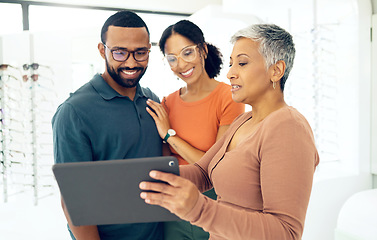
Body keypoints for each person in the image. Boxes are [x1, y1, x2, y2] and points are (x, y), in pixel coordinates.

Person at [140, 23, 320, 240]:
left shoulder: (289, 128)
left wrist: (200, 209)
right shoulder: (244, 121)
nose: (230, 73)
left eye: (242, 63)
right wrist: (146, 173)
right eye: (232, 64)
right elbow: (203, 173)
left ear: (276, 70)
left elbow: (285, 232)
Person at [52, 11, 163, 240]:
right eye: (120, 52)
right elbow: (74, 202)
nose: (131, 62)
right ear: (103, 50)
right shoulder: (74, 112)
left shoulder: (152, 100)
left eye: (140, 53)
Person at [145, 20, 244, 240]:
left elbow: (215, 166)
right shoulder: (168, 103)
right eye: (172, 58)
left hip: (214, 204)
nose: (181, 65)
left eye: (187, 53)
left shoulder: (229, 97)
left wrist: (170, 135)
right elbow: (165, 161)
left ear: (203, 50)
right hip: (174, 205)